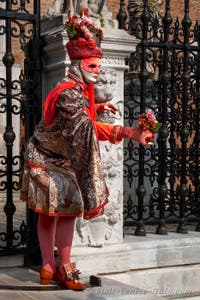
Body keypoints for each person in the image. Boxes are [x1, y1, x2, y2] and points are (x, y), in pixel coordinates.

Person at [20, 8, 154, 291]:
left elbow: (74, 118)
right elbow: (84, 127)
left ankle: (61, 266)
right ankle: (48, 266)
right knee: (50, 212)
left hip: (61, 157)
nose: (98, 73)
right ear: (78, 66)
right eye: (92, 67)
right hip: (44, 159)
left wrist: (95, 107)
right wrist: (129, 132)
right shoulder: (69, 93)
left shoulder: (72, 90)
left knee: (68, 210)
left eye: (99, 67)